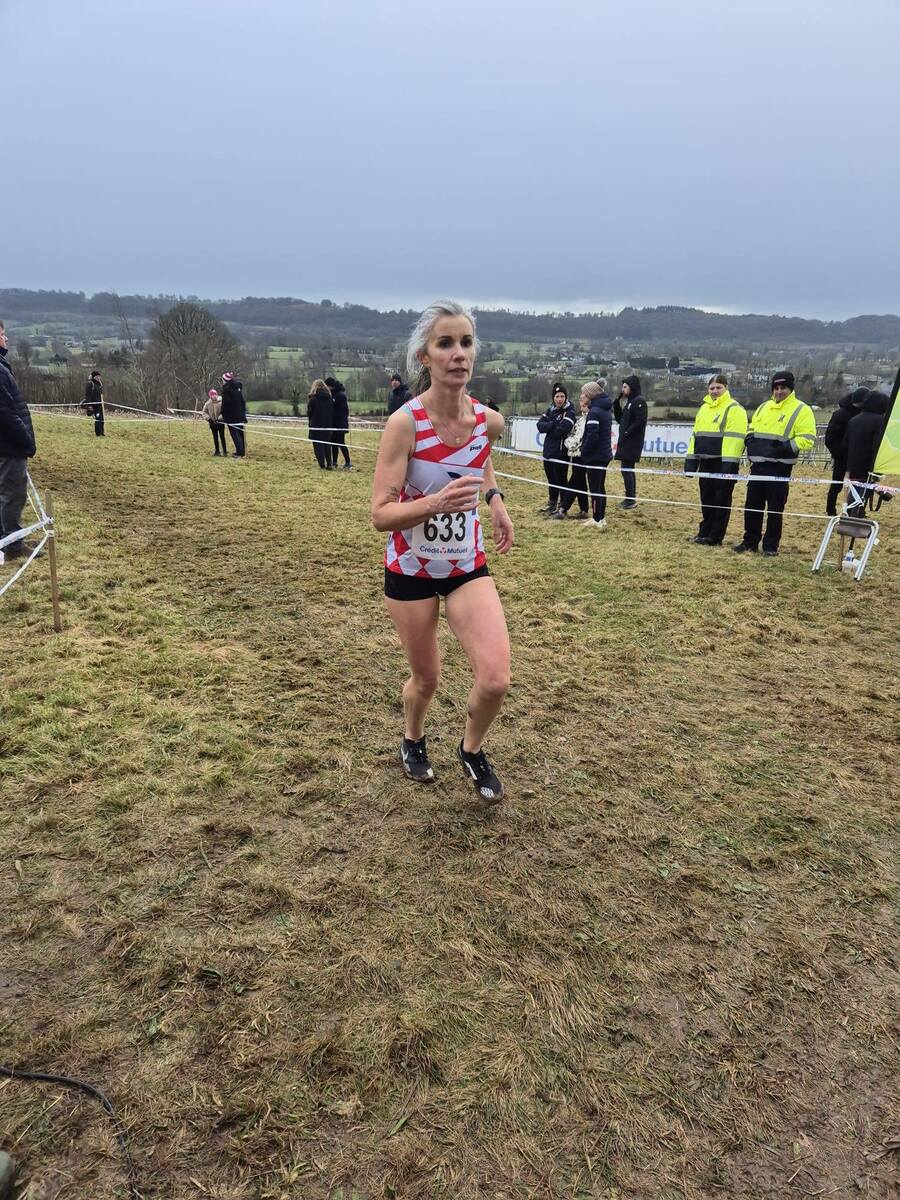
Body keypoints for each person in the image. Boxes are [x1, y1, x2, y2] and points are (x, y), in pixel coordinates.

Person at [371, 300, 513, 802]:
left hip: (466, 565)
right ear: (425, 357)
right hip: (410, 568)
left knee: (495, 679)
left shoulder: (489, 422)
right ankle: (413, 738)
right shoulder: (405, 424)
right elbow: (380, 513)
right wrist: (435, 503)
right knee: (427, 679)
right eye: (445, 343)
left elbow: (480, 459)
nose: (458, 353)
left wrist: (494, 500)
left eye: (466, 343)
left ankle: (471, 750)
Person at [733, 370, 816, 556]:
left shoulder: (802, 410)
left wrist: (783, 448)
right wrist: (749, 441)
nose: (779, 392)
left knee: (775, 509)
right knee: (752, 507)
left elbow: (808, 438)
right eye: (776, 388)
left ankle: (770, 546)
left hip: (780, 467)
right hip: (757, 466)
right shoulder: (764, 406)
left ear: (791, 388)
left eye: (783, 388)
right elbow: (752, 427)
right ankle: (750, 542)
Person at [684, 373, 748, 545]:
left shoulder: (734, 409)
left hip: (723, 463)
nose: (715, 391)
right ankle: (704, 531)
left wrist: (728, 466)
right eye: (712, 388)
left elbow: (734, 440)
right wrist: (691, 461)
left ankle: (715, 536)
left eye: (719, 387)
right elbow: (695, 436)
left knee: (721, 501)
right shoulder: (704, 409)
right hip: (705, 462)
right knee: (706, 499)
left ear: (726, 388)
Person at [0, 320, 37, 561]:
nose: (6, 339)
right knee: (12, 495)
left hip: (6, 445)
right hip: (9, 446)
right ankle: (12, 545)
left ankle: (8, 539)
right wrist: (26, 441)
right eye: (2, 334)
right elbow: (5, 412)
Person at [575, 378, 614, 528]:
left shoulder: (594, 412)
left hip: (596, 456)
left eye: (584, 394)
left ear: (591, 395)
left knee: (595, 489)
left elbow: (592, 437)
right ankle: (601, 518)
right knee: (600, 487)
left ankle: (597, 519)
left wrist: (583, 452)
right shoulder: (604, 409)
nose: (582, 396)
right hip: (603, 454)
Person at [824, 387, 869, 515]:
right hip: (842, 456)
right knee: (836, 485)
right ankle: (830, 510)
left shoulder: (864, 415)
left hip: (858, 458)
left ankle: (857, 511)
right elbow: (830, 437)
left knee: (859, 485)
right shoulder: (840, 414)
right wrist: (839, 454)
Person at [845, 391, 889, 517]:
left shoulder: (853, 420)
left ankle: (853, 512)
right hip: (869, 463)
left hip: (852, 462)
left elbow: (845, 443)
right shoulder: (880, 421)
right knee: (862, 491)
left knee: (855, 489)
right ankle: (855, 514)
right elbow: (877, 445)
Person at [537, 383, 576, 515]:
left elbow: (562, 431)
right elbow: (539, 426)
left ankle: (562, 506)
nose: (559, 399)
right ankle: (552, 503)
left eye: (562, 396)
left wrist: (549, 427)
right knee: (551, 480)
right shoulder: (550, 410)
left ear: (566, 397)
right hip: (548, 451)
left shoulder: (570, 412)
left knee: (561, 480)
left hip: (561, 453)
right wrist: (553, 424)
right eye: (557, 396)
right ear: (553, 398)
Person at [613, 374, 647, 509]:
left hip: (632, 442)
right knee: (627, 470)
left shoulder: (639, 401)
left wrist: (628, 432)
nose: (622, 389)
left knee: (627, 470)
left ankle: (630, 499)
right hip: (626, 441)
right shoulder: (630, 402)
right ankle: (630, 498)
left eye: (625, 387)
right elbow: (621, 420)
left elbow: (641, 420)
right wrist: (616, 406)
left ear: (632, 387)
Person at [558, 388, 590, 519]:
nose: (580, 404)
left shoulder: (588, 419)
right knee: (580, 482)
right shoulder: (582, 419)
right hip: (577, 455)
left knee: (574, 481)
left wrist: (567, 442)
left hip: (581, 455)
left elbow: (577, 439)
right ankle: (584, 509)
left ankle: (564, 508)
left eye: (583, 402)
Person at [325, 376, 352, 470]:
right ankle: (334, 461)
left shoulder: (340, 395)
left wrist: (332, 415)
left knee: (341, 443)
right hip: (333, 424)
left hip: (340, 424)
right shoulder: (332, 395)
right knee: (333, 443)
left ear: (330, 386)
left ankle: (348, 462)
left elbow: (344, 411)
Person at [307, 379, 334, 469]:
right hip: (328, 425)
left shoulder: (313, 399)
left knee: (318, 445)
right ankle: (329, 464)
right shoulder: (330, 398)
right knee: (327, 444)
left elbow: (309, 413)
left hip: (316, 425)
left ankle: (322, 464)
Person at [220, 371, 247, 457]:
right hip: (240, 414)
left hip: (231, 416)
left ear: (224, 380)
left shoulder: (226, 389)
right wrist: (243, 413)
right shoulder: (238, 388)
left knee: (234, 434)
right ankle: (242, 451)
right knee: (240, 433)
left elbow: (225, 403)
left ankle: (239, 452)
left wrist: (222, 412)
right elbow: (242, 401)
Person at [201, 387, 228, 456]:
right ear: (210, 396)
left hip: (220, 422)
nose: (214, 396)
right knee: (215, 437)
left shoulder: (221, 402)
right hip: (212, 423)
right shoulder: (207, 403)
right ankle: (217, 451)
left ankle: (224, 451)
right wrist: (209, 419)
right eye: (213, 395)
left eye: (215, 394)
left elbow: (224, 411)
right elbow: (204, 412)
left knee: (222, 437)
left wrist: (219, 419)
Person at [82, 369, 105, 436]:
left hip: (100, 405)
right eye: (97, 376)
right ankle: (98, 433)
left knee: (102, 419)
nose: (98, 377)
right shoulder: (90, 384)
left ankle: (102, 432)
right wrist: (89, 405)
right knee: (98, 418)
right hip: (94, 405)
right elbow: (88, 395)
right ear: (93, 377)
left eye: (99, 376)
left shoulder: (99, 384)